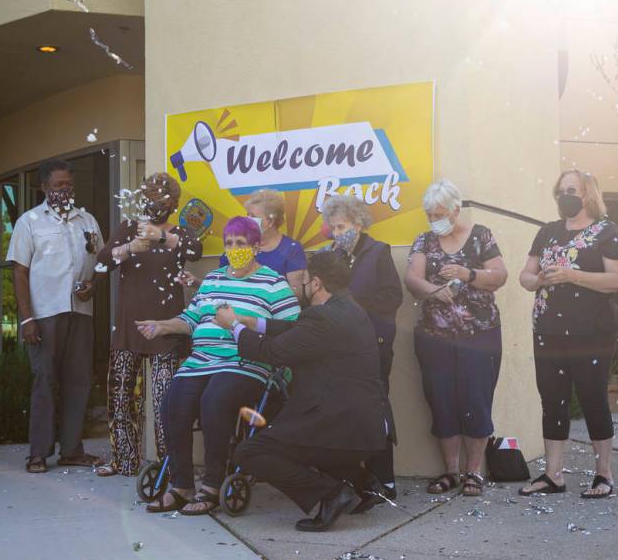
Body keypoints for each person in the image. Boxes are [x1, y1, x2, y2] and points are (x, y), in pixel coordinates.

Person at [215, 250, 392, 532]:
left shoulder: (322, 319)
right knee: (297, 437)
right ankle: (363, 483)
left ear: (317, 283)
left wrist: (234, 326)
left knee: (249, 452)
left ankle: (331, 495)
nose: (303, 285)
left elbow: (271, 352)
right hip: (364, 429)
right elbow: (298, 329)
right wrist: (254, 323)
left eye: (306, 280)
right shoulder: (349, 309)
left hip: (339, 427)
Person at [136, 217, 299, 515]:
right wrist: (161, 326)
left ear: (256, 246)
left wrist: (242, 322)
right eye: (229, 243)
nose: (234, 248)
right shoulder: (213, 279)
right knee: (173, 404)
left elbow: (291, 326)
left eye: (241, 243)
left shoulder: (273, 283)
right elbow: (190, 320)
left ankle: (212, 484)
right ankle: (182, 485)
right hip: (201, 360)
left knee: (215, 401)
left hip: (245, 361)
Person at [518, 170, 618, 499]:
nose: (566, 195)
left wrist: (571, 275)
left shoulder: (605, 232)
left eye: (573, 190)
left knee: (593, 398)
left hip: (592, 330)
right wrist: (539, 281)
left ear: (588, 194)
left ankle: (603, 474)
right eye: (561, 190)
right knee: (552, 399)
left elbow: (617, 280)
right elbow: (525, 276)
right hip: (549, 329)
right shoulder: (548, 232)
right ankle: (553, 474)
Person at [94, 172, 203, 477]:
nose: (155, 203)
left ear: (174, 203)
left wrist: (162, 238)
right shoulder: (129, 228)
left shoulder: (180, 233)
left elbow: (194, 251)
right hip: (128, 326)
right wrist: (130, 248)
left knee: (164, 399)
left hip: (165, 328)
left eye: (162, 198)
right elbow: (103, 260)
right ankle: (124, 460)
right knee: (120, 395)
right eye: (150, 197)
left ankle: (170, 465)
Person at [404, 180, 508, 498]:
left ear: (455, 209)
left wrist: (468, 275)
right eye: (429, 214)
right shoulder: (424, 240)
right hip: (435, 337)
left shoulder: (481, 236)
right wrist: (435, 291)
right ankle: (451, 471)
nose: (434, 219)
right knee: (442, 402)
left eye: (438, 213)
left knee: (476, 401)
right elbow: (412, 279)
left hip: (480, 336)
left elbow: (500, 276)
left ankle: (474, 472)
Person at [7, 159, 103, 474]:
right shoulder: (29, 222)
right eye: (59, 186)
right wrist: (26, 319)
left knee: (79, 382)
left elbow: (100, 263)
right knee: (45, 382)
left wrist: (93, 284)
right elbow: (19, 272)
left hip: (81, 313)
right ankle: (38, 452)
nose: (65, 191)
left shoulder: (87, 220)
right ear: (44, 188)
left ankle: (72, 449)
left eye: (69, 185)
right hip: (45, 314)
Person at [322, 195, 403, 503]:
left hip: (374, 342)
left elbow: (393, 297)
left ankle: (385, 479)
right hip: (340, 345)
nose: (336, 232)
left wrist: (353, 305)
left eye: (341, 226)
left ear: (358, 224)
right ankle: (358, 479)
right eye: (332, 227)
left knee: (375, 407)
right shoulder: (332, 255)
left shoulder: (378, 251)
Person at [219, 189, 307, 293]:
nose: (247, 219)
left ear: (270, 221)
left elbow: (296, 294)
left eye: (253, 216)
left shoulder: (292, 249)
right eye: (247, 215)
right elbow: (222, 285)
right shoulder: (237, 245)